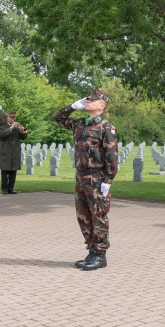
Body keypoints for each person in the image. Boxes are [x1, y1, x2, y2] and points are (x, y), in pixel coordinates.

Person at [54, 88, 119, 271]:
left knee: (99, 217)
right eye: (87, 99)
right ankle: (91, 251)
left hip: (97, 178)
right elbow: (58, 118)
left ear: (102, 106)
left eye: (92, 100)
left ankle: (100, 255)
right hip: (81, 177)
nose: (88, 102)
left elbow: (112, 157)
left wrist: (107, 181)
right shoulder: (80, 124)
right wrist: (73, 106)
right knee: (83, 216)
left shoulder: (106, 128)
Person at [0, 111, 28, 194]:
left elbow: (25, 136)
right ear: (6, 118)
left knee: (13, 171)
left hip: (15, 151)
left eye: (13, 117)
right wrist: (11, 128)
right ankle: (4, 189)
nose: (12, 118)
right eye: (11, 117)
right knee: (5, 171)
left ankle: (11, 188)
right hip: (5, 151)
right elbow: (1, 135)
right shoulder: (2, 126)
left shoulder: (17, 127)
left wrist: (22, 128)